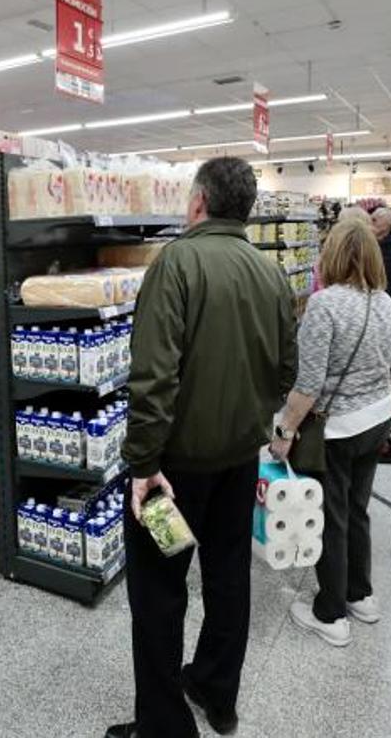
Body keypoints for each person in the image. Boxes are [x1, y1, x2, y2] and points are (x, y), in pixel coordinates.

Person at [106, 157, 297, 738]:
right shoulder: (270, 274)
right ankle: (217, 693)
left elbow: (154, 378)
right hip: (239, 462)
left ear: (198, 203)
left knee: (160, 594)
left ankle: (164, 725)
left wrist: (143, 466)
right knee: (228, 577)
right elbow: (286, 369)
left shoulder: (178, 262)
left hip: (174, 474)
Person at [270, 219, 391, 648]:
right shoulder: (390, 306)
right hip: (377, 421)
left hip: (337, 429)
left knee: (330, 517)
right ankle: (361, 595)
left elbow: (308, 385)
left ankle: (330, 613)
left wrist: (284, 429)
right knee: (357, 509)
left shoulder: (324, 305)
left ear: (330, 255)